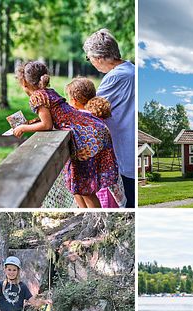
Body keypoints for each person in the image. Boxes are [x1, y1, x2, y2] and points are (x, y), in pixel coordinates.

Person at [12, 61, 119, 208]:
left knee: (86, 189)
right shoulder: (49, 91)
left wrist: (23, 128)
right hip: (92, 128)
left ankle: (97, 217)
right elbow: (55, 116)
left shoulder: (37, 97)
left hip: (86, 136)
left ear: (24, 83)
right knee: (83, 187)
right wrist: (33, 122)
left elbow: (47, 125)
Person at [83, 29, 136, 208]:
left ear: (99, 58)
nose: (91, 63)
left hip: (125, 152)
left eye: (89, 58)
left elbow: (90, 109)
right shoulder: (130, 70)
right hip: (127, 150)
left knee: (129, 203)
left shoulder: (116, 77)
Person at [65, 77, 125, 208]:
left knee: (87, 193)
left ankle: (93, 216)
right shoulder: (93, 115)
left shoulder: (81, 118)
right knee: (81, 191)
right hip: (97, 163)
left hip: (87, 164)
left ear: (74, 101)